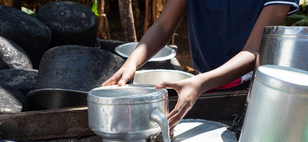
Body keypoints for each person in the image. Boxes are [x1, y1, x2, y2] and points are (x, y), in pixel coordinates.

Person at [102, 0, 299, 133]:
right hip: (202, 84)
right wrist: (131, 62)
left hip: (252, 91)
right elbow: (163, 26)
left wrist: (199, 84)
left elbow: (254, 50)